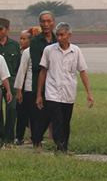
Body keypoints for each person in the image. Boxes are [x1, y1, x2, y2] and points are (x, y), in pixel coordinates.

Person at [35, 23, 94, 153]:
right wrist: (39, 94)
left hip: (68, 92)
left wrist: (89, 93)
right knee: (57, 120)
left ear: (69, 35)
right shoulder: (49, 50)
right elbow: (43, 72)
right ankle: (59, 145)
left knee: (66, 121)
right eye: (58, 35)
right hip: (52, 92)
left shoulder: (76, 51)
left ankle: (63, 147)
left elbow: (82, 71)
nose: (60, 38)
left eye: (62, 35)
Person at [28, 11, 56, 150]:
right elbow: (38, 66)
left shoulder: (58, 39)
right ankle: (37, 141)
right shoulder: (35, 41)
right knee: (39, 114)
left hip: (56, 84)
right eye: (43, 21)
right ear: (40, 23)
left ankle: (59, 143)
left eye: (48, 21)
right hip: (41, 84)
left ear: (53, 22)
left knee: (54, 114)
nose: (46, 24)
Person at [0, 18, 20, 146]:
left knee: (12, 109)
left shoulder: (14, 45)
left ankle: (9, 137)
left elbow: (18, 66)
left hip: (11, 80)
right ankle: (1, 136)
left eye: (1, 29)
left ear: (7, 30)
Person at [13, 29, 32, 145]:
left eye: (24, 38)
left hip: (29, 86)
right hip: (19, 85)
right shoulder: (18, 52)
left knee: (31, 113)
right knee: (21, 112)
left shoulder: (32, 53)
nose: (21, 41)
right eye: (20, 38)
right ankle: (19, 137)